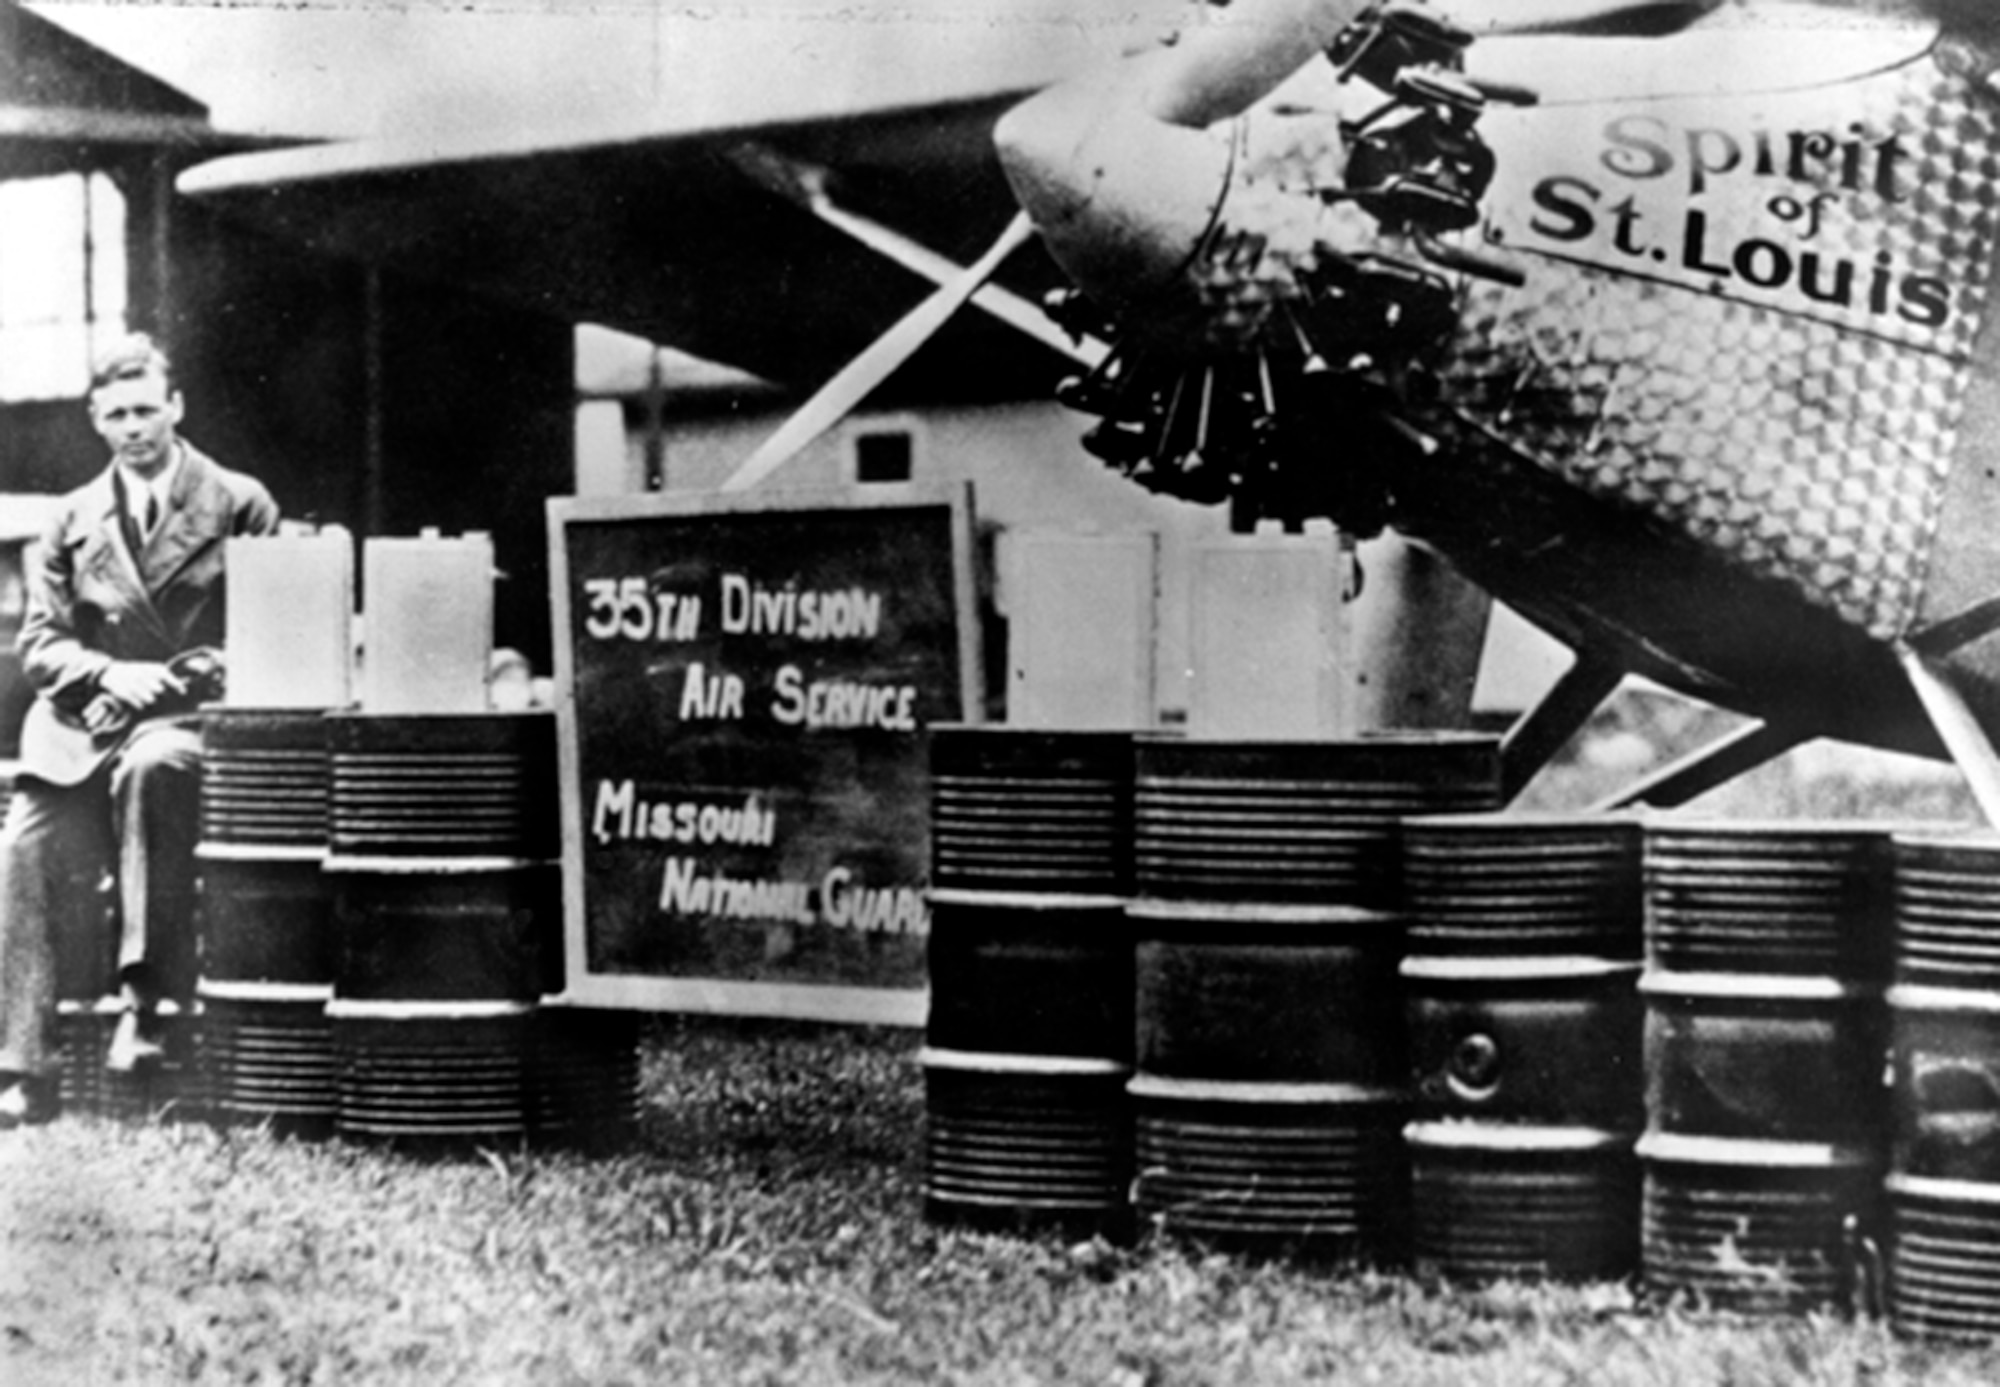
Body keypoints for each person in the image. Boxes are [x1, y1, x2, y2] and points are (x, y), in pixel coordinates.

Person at [0, 333, 280, 1125]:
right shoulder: (67, 519)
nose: (134, 428)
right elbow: (41, 643)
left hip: (186, 721)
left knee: (151, 770)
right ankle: (23, 1062)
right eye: (117, 413)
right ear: (95, 418)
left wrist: (181, 673)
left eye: (147, 409)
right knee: (20, 842)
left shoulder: (240, 503)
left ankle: (144, 1006)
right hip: (83, 726)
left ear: (177, 407)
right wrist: (108, 672)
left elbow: (269, 630)